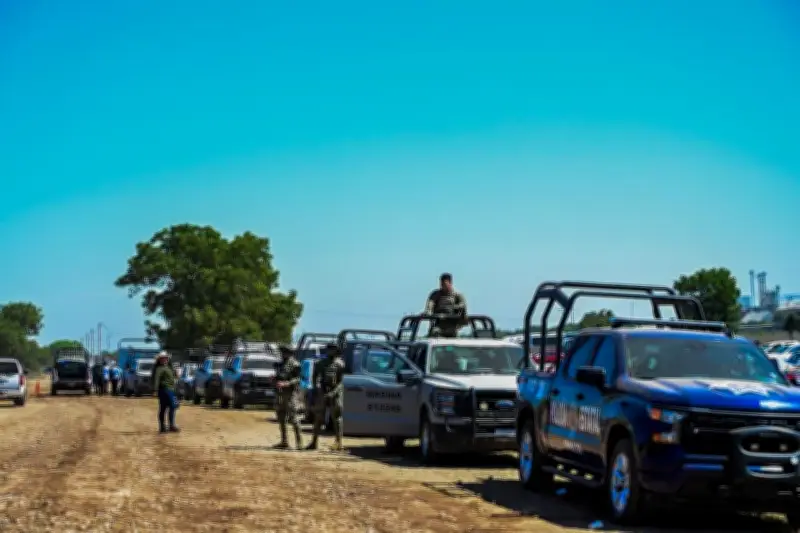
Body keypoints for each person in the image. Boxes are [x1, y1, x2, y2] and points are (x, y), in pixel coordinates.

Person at [306, 343, 345, 451]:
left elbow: (341, 382)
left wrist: (334, 392)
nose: (330, 351)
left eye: (333, 349)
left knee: (337, 418)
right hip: (322, 393)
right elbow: (315, 377)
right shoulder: (320, 363)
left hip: (335, 394)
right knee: (318, 418)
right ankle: (314, 442)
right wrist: (317, 387)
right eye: (329, 349)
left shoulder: (340, 364)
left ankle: (338, 443)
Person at [273, 344, 303, 450]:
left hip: (290, 394)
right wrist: (274, 379)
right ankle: (284, 441)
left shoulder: (295, 364)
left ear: (290, 353)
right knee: (281, 417)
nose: (282, 354)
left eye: (284, 352)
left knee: (294, 418)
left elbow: (298, 379)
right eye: (282, 352)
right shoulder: (280, 364)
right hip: (280, 394)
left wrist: (287, 383)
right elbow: (279, 376)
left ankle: (299, 443)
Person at [424, 272, 468, 338]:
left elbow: (463, 305)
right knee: (435, 333)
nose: (442, 286)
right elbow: (430, 304)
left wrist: (454, 307)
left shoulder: (457, 295)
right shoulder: (435, 294)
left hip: (452, 326)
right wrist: (428, 311)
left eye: (444, 284)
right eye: (441, 284)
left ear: (450, 283)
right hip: (438, 325)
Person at [153, 352, 180, 433]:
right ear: (159, 360)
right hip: (165, 389)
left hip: (171, 389)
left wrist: (176, 373)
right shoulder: (159, 368)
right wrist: (155, 390)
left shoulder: (169, 367)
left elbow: (175, 377)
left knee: (165, 407)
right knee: (172, 406)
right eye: (162, 358)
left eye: (166, 358)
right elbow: (156, 379)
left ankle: (164, 427)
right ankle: (169, 426)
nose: (165, 359)